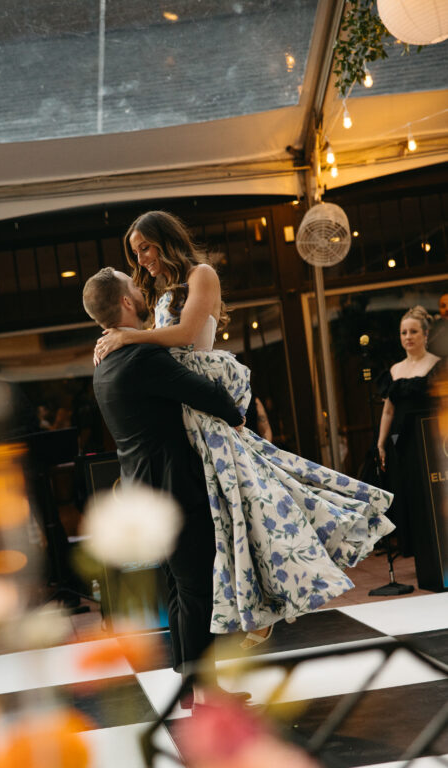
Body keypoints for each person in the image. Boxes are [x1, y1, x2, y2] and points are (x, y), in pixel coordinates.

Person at [94, 210, 395, 646]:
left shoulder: (202, 275)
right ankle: (249, 615)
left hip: (204, 406)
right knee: (228, 518)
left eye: (145, 247)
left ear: (165, 239)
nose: (141, 259)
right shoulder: (162, 290)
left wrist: (128, 336)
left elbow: (186, 334)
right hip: (185, 411)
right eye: (135, 252)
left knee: (254, 506)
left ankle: (263, 606)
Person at [83, 266, 244, 695]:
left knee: (178, 587)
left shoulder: (104, 363)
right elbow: (205, 393)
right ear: (125, 303)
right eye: (132, 285)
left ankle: (193, 688)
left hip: (142, 488)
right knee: (195, 588)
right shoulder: (142, 357)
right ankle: (207, 694)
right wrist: (237, 416)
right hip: (173, 488)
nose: (140, 286)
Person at [377, 305, 444, 557]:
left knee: (431, 494)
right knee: (407, 491)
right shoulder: (394, 370)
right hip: (401, 440)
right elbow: (388, 411)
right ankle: (417, 550)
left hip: (430, 441)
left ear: (425, 335)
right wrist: (381, 444)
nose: (408, 337)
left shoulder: (437, 365)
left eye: (413, 331)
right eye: (403, 332)